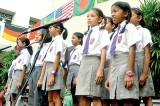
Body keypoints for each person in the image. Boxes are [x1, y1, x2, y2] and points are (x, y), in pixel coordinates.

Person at [106, 1, 141, 106]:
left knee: (127, 98)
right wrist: (108, 77)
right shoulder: (116, 32)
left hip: (125, 65)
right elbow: (112, 55)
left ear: (125, 13)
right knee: (115, 100)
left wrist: (129, 73)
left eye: (115, 11)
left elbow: (132, 50)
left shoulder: (130, 28)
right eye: (111, 12)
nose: (112, 14)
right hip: (115, 67)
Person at [75, 8, 110, 106]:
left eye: (92, 16)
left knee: (95, 95)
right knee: (82, 96)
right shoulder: (86, 34)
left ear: (99, 19)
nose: (89, 18)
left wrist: (100, 69)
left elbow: (103, 51)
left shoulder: (102, 32)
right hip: (84, 64)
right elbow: (83, 55)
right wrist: (79, 74)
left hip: (94, 63)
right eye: (88, 16)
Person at [38, 22, 67, 106]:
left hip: (55, 68)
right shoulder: (53, 41)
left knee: (55, 96)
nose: (48, 30)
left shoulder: (59, 40)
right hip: (49, 67)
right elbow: (46, 61)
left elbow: (57, 57)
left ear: (57, 28)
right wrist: (42, 76)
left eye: (50, 28)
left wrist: (52, 74)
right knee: (50, 98)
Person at [130, 7, 155, 106]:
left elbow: (147, 52)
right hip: (130, 64)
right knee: (133, 96)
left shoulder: (144, 31)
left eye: (130, 16)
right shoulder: (127, 31)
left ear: (139, 17)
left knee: (146, 95)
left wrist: (144, 73)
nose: (128, 18)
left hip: (141, 63)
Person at [28, 29, 51, 106]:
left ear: (44, 36)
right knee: (31, 93)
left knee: (37, 94)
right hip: (33, 70)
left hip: (40, 70)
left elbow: (45, 63)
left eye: (38, 34)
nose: (36, 36)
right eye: (36, 34)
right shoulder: (37, 49)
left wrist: (41, 78)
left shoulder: (46, 48)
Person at [9, 37, 32, 106]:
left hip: (20, 75)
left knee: (16, 96)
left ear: (24, 44)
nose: (17, 45)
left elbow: (24, 67)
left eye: (18, 43)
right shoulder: (20, 54)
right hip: (16, 74)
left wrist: (20, 81)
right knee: (13, 96)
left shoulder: (26, 53)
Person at [102, 16, 116, 106]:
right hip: (102, 65)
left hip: (110, 64)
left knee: (110, 95)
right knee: (103, 96)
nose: (103, 25)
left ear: (113, 25)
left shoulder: (114, 36)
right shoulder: (103, 35)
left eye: (106, 23)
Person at [66, 32, 83, 106]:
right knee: (71, 95)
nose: (71, 39)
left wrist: (78, 77)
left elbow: (82, 63)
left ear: (79, 39)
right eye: (71, 38)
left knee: (78, 95)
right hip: (71, 70)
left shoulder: (81, 49)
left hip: (77, 70)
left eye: (74, 38)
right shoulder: (72, 51)